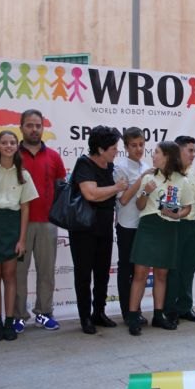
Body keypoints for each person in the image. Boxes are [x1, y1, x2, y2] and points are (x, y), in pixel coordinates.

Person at [0, 131, 39, 341]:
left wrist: (21, 239)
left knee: (10, 276)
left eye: (12, 142)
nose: (8, 146)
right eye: (4, 143)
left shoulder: (23, 174)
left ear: (16, 146)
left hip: (12, 227)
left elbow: (25, 209)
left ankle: (10, 322)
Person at [127, 141, 194, 336]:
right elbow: (139, 205)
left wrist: (177, 215)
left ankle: (158, 315)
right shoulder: (149, 176)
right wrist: (146, 192)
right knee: (140, 273)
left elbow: (188, 207)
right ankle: (133, 316)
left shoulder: (182, 180)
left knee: (161, 274)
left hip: (169, 228)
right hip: (148, 227)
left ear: (167, 156)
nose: (152, 156)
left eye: (156, 153)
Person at [68, 126, 127, 334]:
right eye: (112, 148)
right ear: (100, 149)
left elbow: (101, 194)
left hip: (104, 227)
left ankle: (99, 312)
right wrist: (115, 188)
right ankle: (85, 317)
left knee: (102, 273)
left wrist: (111, 191)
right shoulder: (84, 164)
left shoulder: (110, 168)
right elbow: (90, 194)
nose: (116, 151)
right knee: (84, 274)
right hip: (83, 229)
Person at [14, 109, 67, 334]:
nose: (34, 129)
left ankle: (44, 313)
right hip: (19, 225)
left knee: (46, 272)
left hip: (47, 223)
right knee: (18, 273)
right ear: (22, 127)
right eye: (29, 125)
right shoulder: (11, 155)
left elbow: (61, 188)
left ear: (43, 127)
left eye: (38, 125)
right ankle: (17, 316)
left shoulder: (54, 156)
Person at [113, 127, 152, 323]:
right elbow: (124, 199)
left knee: (141, 270)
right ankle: (127, 312)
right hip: (126, 224)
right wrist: (141, 181)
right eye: (134, 145)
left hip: (144, 224)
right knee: (126, 269)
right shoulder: (120, 167)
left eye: (141, 145)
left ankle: (135, 308)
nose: (138, 149)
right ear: (126, 147)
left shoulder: (146, 166)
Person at [164, 136, 195, 324]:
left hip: (193, 225)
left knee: (189, 267)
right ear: (179, 151)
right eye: (190, 151)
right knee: (174, 268)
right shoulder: (168, 174)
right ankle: (170, 309)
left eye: (194, 151)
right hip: (174, 225)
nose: (194, 155)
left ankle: (185, 307)